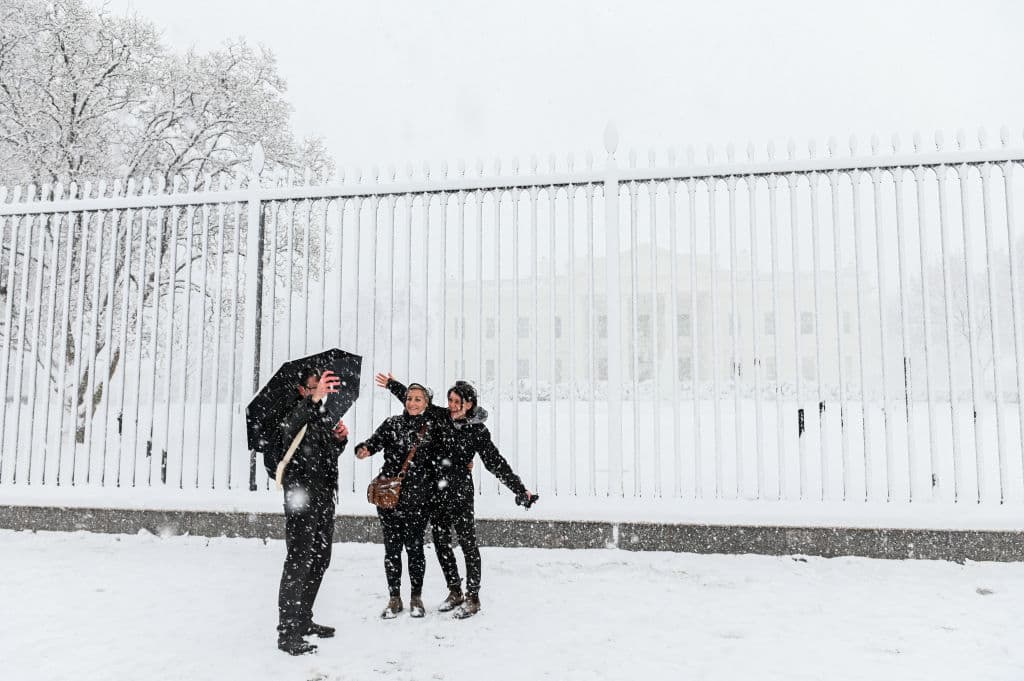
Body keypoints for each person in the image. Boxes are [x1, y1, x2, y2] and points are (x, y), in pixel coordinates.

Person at [375, 373, 537, 619]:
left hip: (460, 495)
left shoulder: (478, 432)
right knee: (441, 544)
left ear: (469, 404)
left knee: (468, 545)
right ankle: (455, 591)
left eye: (456, 401)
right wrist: (393, 386)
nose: (450, 405)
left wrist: (519, 488)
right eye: (449, 400)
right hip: (437, 494)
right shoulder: (441, 418)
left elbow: (495, 463)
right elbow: (417, 403)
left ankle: (473, 597)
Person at [274, 368, 348, 656]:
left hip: (323, 496)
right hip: (301, 497)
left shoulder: (320, 417)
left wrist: (339, 441)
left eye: (323, 385)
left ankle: (304, 619)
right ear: (303, 390)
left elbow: (324, 456)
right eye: (315, 386)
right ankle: (287, 632)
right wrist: (312, 402)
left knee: (320, 559)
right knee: (299, 561)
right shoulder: (293, 412)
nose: (322, 390)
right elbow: (289, 431)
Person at [354, 382, 444, 619]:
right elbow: (374, 442)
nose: (412, 403)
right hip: (389, 497)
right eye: (409, 398)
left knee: (415, 549)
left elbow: (445, 457)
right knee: (392, 549)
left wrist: (462, 462)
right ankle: (394, 598)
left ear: (426, 403)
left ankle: (416, 597)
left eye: (418, 399)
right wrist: (363, 449)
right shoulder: (392, 423)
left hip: (419, 498)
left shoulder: (432, 427)